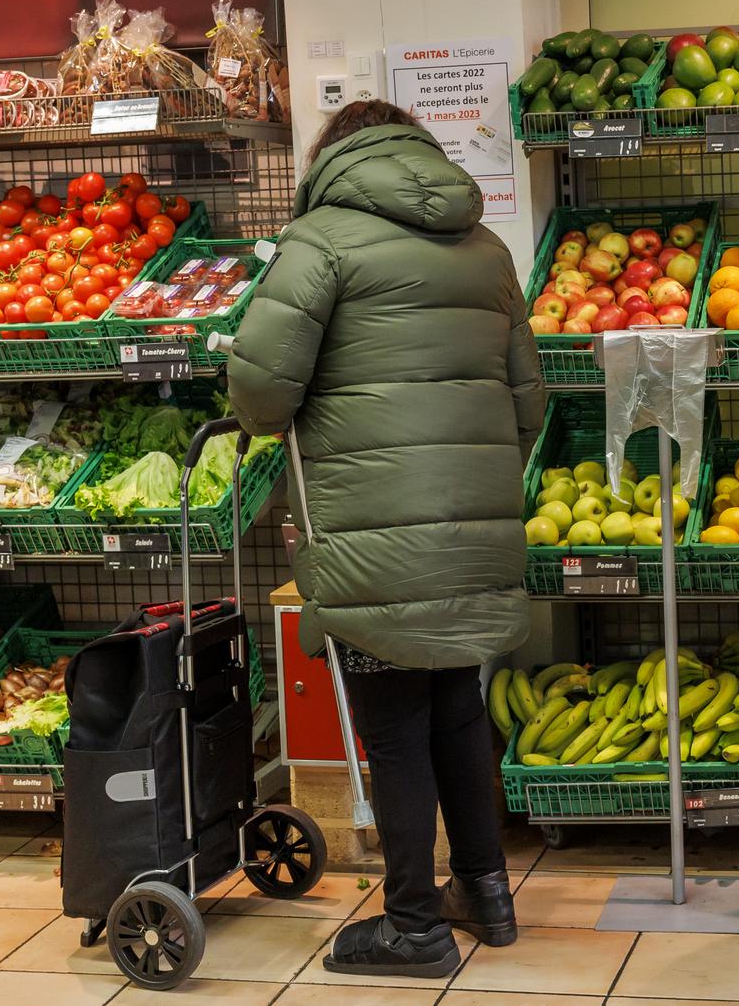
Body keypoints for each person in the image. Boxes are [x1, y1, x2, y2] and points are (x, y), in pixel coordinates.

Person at [228, 100, 545, 979]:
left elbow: (258, 394)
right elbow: (529, 402)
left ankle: (413, 925)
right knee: (458, 710)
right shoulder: (487, 250)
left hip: (373, 529)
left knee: (396, 729)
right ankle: (485, 892)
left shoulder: (319, 242)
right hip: (473, 526)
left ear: (332, 157)